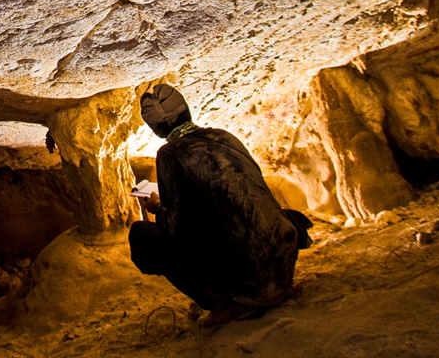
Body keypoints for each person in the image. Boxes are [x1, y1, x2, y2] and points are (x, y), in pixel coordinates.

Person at [129, 83, 312, 326]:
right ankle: (274, 287)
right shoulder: (224, 136)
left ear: (156, 128)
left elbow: (176, 228)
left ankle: (229, 303)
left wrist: (157, 209)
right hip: (280, 266)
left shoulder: (170, 154)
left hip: (252, 282)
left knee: (143, 236)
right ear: (186, 111)